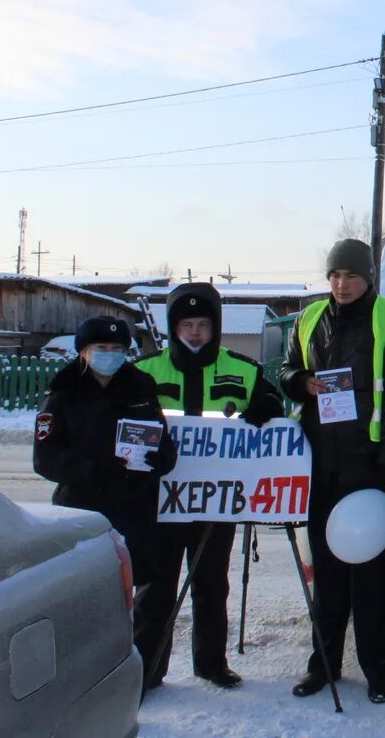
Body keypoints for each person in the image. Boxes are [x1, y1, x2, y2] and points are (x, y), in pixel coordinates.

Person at [279, 239, 385, 705]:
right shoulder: (309, 318)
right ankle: (323, 666)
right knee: (329, 574)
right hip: (324, 464)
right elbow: (286, 370)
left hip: (374, 468)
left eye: (352, 276)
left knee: (373, 576)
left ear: (369, 279)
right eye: (335, 275)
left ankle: (379, 672)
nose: (342, 284)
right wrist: (301, 382)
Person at [133, 282, 285, 692]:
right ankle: (146, 668)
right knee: (156, 588)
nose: (196, 332)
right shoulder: (145, 372)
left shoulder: (242, 369)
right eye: (187, 324)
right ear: (173, 327)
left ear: (215, 327)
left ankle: (211, 663)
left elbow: (276, 405)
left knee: (212, 585)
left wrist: (267, 408)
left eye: (203, 324)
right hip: (162, 501)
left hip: (217, 501)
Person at [33, 316, 178, 689]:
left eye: (117, 350)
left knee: (148, 590)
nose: (110, 356)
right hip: (83, 509)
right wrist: (91, 469)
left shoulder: (141, 386)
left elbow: (162, 443)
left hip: (136, 505)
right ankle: (78, 677)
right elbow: (44, 458)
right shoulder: (62, 391)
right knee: (84, 596)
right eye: (101, 350)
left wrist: (161, 459)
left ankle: (145, 673)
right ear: (83, 352)